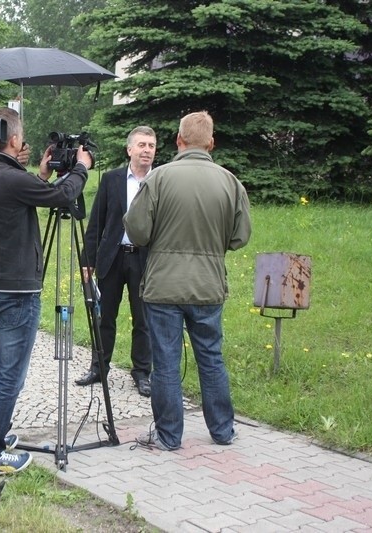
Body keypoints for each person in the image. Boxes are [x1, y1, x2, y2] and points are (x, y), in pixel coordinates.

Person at [0, 107, 92, 476]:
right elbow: (62, 195)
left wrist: (38, 173)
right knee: (9, 376)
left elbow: (25, 192)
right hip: (16, 293)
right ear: (15, 139)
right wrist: (81, 165)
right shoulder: (11, 179)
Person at [124, 111, 251, 450]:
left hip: (163, 285)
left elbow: (136, 230)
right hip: (208, 285)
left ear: (178, 141)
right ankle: (223, 431)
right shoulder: (230, 182)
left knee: (165, 361)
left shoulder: (158, 179)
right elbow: (240, 237)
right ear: (211, 143)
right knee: (211, 358)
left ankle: (169, 436)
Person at [76, 126, 156, 397]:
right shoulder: (112, 180)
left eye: (151, 145)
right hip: (112, 258)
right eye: (142, 145)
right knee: (104, 317)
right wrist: (88, 259)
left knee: (143, 319)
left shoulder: (160, 180)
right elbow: (97, 221)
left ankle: (142, 372)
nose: (147, 150)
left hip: (145, 259)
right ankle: (99, 368)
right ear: (129, 149)